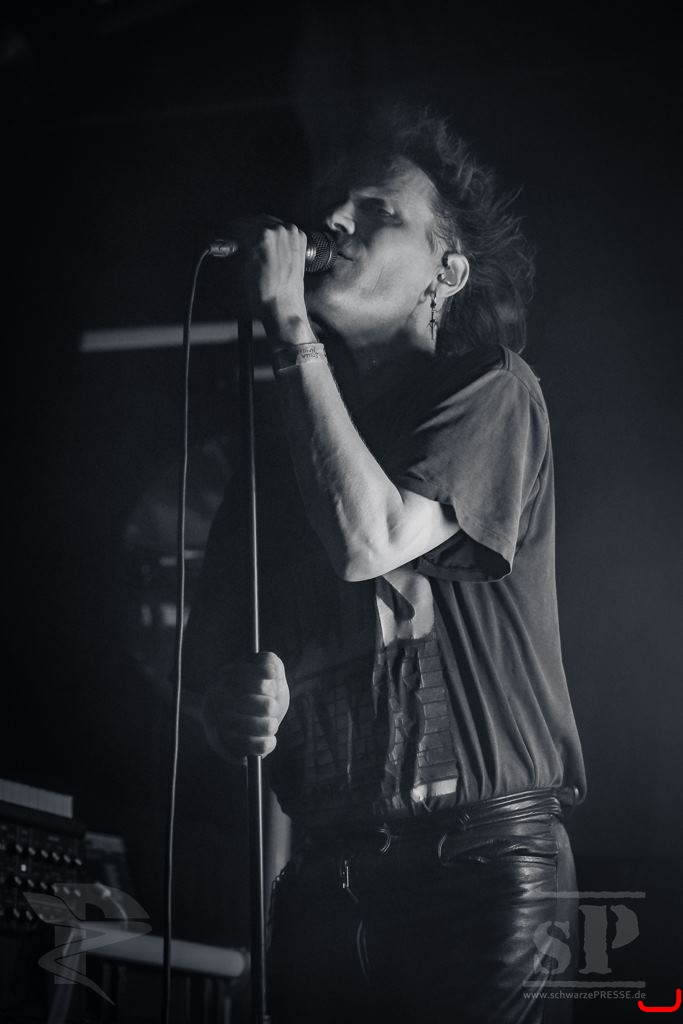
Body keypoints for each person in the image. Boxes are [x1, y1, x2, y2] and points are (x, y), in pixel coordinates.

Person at [184, 107, 586, 1023]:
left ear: (447, 270)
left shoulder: (489, 388)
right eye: (332, 202)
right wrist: (231, 707)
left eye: (378, 210)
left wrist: (289, 321)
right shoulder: (276, 450)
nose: (333, 220)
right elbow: (215, 675)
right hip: (325, 878)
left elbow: (371, 539)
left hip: (479, 874)